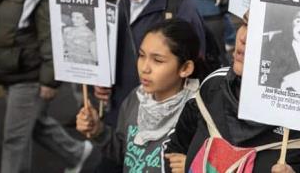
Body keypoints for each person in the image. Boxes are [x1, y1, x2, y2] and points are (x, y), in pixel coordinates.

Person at [164, 12, 300, 173]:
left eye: (259, 28)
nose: (244, 37)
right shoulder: (214, 86)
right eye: (245, 22)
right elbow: (176, 150)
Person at [90, 0, 206, 172]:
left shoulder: (182, 10)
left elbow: (195, 76)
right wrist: (103, 79)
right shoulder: (121, 2)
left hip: (163, 141)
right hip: (122, 126)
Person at [0, 0, 93, 173]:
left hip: (29, 73)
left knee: (14, 139)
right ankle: (76, 153)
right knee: (34, 123)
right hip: (10, 69)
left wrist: (49, 80)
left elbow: (50, 34)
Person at [77, 19, 209, 173]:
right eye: (141, 55)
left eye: (157, 60)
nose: (144, 68)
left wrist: (195, 168)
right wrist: (99, 131)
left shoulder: (198, 114)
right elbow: (125, 154)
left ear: (185, 68)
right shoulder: (136, 98)